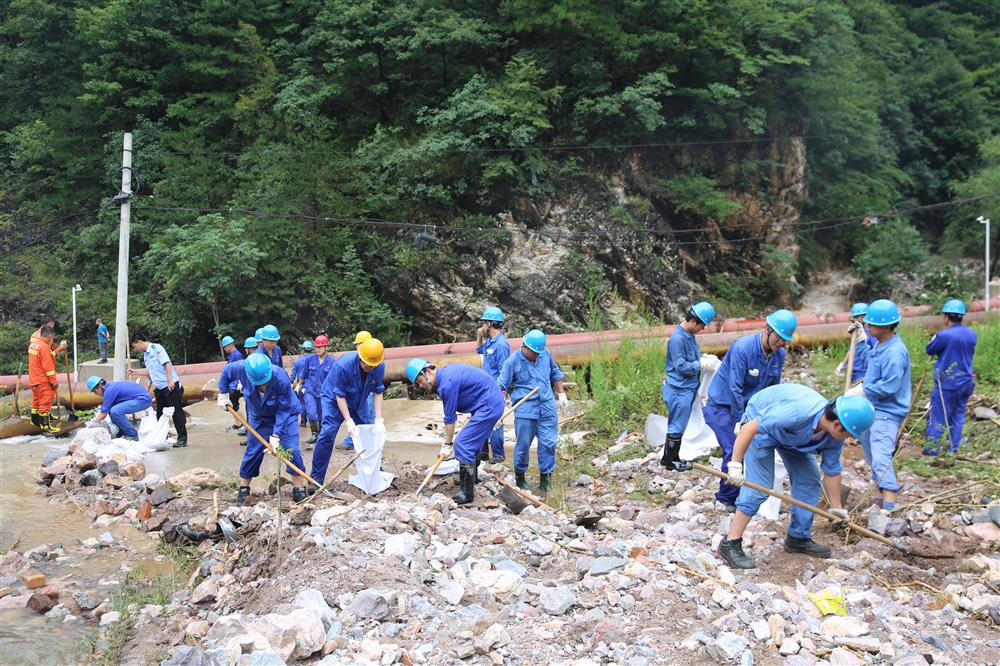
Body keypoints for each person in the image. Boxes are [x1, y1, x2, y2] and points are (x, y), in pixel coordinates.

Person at [716, 384, 876, 569]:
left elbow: (832, 471)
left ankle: (798, 537)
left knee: (809, 480)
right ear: (837, 424)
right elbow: (748, 429)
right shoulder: (796, 412)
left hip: (795, 438)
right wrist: (735, 465)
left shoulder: (833, 437)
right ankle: (730, 543)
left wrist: (837, 508)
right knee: (758, 487)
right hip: (762, 427)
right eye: (850, 434)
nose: (851, 439)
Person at [703, 309, 797, 511]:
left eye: (785, 340)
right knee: (734, 447)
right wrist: (740, 421)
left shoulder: (778, 354)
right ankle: (726, 499)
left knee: (759, 447)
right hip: (724, 406)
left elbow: (773, 388)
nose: (782, 343)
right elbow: (734, 388)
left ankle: (750, 497)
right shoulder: (743, 348)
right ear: (768, 330)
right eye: (780, 338)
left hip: (750, 408)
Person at [407, 359, 505, 504]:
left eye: (420, 381)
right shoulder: (446, 375)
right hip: (487, 402)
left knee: (463, 444)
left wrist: (447, 444)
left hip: (488, 404)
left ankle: (467, 493)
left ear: (427, 371)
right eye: (418, 384)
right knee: (472, 441)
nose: (422, 386)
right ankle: (473, 479)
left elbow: (450, 419)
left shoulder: (447, 384)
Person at [497, 329, 568, 493]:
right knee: (523, 445)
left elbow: (555, 373)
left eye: (539, 352)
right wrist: (499, 404)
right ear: (525, 347)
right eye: (535, 352)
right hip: (525, 409)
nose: (537, 355)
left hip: (547, 406)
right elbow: (501, 385)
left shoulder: (545, 354)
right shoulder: (512, 361)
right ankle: (520, 477)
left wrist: (561, 394)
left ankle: (546, 479)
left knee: (548, 443)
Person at [310, 338, 386, 485]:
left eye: (372, 365)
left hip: (358, 399)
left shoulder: (379, 365)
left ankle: (376, 474)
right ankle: (315, 480)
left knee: (367, 433)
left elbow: (378, 392)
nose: (368, 367)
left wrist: (379, 419)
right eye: (366, 363)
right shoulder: (344, 364)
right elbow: (340, 395)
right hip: (333, 399)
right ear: (360, 356)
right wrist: (349, 421)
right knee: (327, 433)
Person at [858, 299, 911, 511]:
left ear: (886, 326)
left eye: (870, 325)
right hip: (874, 409)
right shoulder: (881, 345)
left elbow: (889, 387)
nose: (867, 327)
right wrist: (861, 341)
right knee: (871, 456)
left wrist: (865, 389)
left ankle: (889, 508)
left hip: (887, 413)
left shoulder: (895, 352)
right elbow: (868, 362)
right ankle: (879, 500)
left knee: (881, 458)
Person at [235, 354, 308, 505]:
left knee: (291, 449)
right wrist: (223, 393)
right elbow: (225, 375)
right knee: (253, 450)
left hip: (285, 415)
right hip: (260, 418)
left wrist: (275, 434)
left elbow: (284, 409)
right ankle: (243, 489)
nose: (264, 384)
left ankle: (299, 489)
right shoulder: (240, 369)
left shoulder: (280, 376)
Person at [661, 302, 715, 472]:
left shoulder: (688, 336)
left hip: (686, 388)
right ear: (693, 321)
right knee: (677, 425)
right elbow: (680, 365)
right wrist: (700, 364)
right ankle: (670, 460)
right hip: (678, 389)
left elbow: (690, 357)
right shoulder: (678, 338)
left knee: (680, 424)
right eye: (702, 325)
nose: (703, 329)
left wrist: (702, 357)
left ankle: (671, 458)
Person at [923, 300, 977, 456]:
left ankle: (931, 451)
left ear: (946, 317)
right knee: (958, 415)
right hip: (966, 381)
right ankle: (952, 449)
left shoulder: (943, 335)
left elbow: (930, 350)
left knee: (937, 416)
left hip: (947, 383)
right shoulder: (971, 334)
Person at [130, 333, 187, 448]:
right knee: (160, 414)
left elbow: (166, 364)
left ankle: (182, 438)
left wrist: (170, 380)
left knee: (176, 412)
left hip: (170, 386)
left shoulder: (157, 349)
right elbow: (150, 372)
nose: (136, 349)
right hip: (160, 388)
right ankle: (162, 438)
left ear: (139, 342)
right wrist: (135, 372)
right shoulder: (146, 355)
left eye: (135, 347)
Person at [476, 307, 512, 463]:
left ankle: (498, 454)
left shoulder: (502, 345)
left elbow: (504, 371)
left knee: (495, 420)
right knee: (481, 418)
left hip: (495, 389)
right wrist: (479, 336)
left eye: (484, 323)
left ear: (490, 323)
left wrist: (499, 392)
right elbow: (479, 351)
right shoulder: (489, 341)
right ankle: (483, 452)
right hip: (484, 388)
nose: (482, 325)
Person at [86, 376, 152, 440]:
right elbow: (106, 409)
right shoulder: (110, 387)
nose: (95, 394)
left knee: (115, 411)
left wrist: (91, 424)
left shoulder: (109, 390)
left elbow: (103, 414)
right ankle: (121, 432)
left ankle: (132, 435)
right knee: (111, 409)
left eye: (94, 391)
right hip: (139, 398)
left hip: (143, 400)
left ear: (100, 386)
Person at [342, 331, 376, 450]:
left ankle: (369, 441)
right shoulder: (356, 359)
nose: (356, 347)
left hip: (367, 391)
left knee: (367, 416)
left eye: (357, 344)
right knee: (361, 415)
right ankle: (358, 440)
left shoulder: (370, 357)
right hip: (360, 391)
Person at [300, 335, 334, 446]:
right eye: (316, 347)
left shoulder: (331, 362)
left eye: (320, 347)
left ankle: (320, 435)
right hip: (310, 390)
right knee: (311, 412)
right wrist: (299, 386)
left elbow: (333, 380)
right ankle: (314, 434)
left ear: (326, 347)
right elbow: (304, 374)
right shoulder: (310, 360)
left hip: (323, 393)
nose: (318, 349)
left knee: (322, 415)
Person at [27, 325, 61, 433]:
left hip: (34, 379)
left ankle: (35, 421)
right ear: (50, 335)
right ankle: (46, 426)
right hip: (43, 380)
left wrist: (58, 348)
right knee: (45, 403)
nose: (53, 340)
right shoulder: (44, 347)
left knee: (36, 401)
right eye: (52, 337)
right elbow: (48, 367)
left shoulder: (34, 345)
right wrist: (53, 381)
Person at [836, 303, 872, 383]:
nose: (855, 320)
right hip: (852, 370)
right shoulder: (857, 332)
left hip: (863, 371)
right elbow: (851, 349)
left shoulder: (871, 333)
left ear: (864, 316)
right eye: (854, 317)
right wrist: (842, 364)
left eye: (857, 317)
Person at [291, 340, 314, 427]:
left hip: (300, 385)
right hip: (311, 385)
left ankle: (303, 421)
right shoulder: (314, 360)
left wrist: (290, 384)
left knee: (302, 403)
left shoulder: (298, 361)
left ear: (303, 349)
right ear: (311, 350)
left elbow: (293, 375)